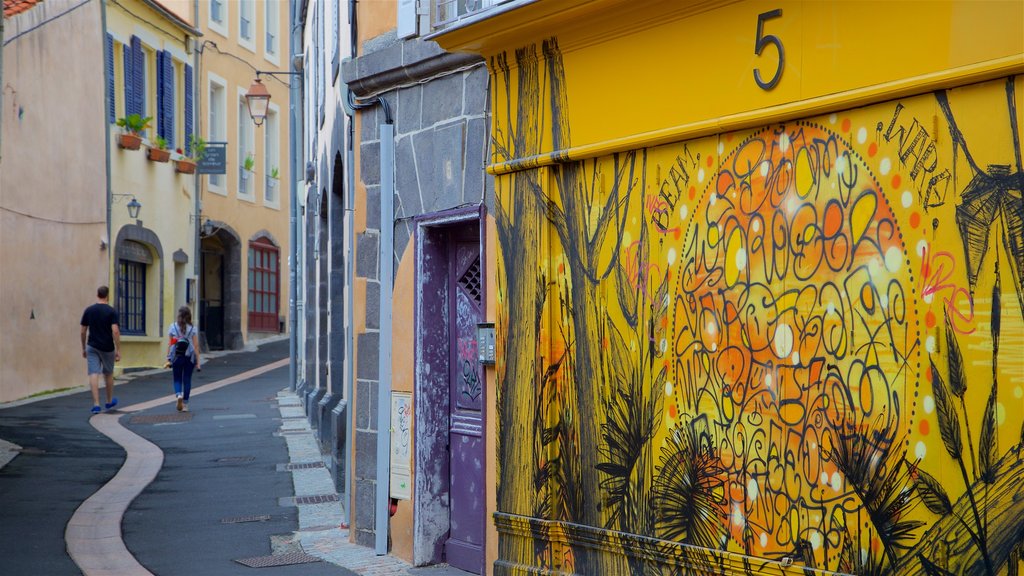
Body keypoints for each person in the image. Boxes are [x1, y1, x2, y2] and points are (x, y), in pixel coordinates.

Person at [80, 286, 120, 414]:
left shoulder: (89, 310)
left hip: (92, 346)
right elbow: (115, 330)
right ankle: (108, 401)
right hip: (107, 347)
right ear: (107, 296)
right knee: (108, 373)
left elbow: (83, 330)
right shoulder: (111, 311)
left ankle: (96, 404)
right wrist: (118, 349)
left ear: (97, 295)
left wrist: (83, 347)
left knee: (93, 373)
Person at [167, 306, 200, 411]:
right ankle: (185, 404)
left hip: (176, 356)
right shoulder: (192, 329)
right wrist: (198, 362)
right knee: (187, 379)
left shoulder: (173, 327)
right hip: (189, 357)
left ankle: (178, 395)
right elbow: (196, 346)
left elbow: (170, 343)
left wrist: (168, 358)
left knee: (177, 378)